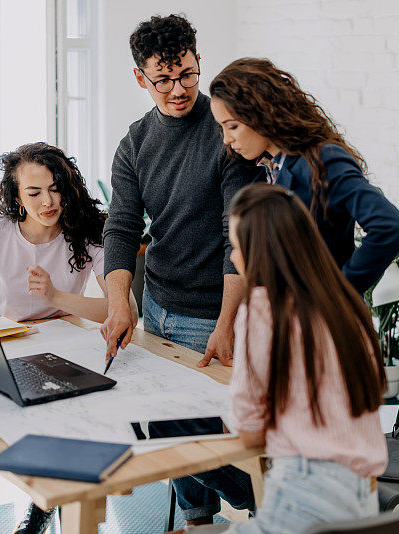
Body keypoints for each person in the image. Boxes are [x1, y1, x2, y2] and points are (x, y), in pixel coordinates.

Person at [0, 142, 137, 534]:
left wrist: (57, 297)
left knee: (64, 433)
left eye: (55, 188)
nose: (47, 201)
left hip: (65, 354)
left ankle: (41, 511)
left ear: (68, 187)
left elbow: (126, 311)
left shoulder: (88, 234)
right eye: (34, 193)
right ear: (16, 197)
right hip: (6, 351)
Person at [100, 14, 256, 526]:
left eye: (187, 74)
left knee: (190, 431)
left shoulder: (226, 132)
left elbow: (241, 237)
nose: (178, 90)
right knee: (168, 428)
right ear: (141, 78)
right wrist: (119, 302)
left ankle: (265, 496)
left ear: (196, 63)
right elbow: (121, 229)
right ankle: (200, 521)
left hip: (210, 309)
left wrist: (227, 322)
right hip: (157, 305)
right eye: (163, 79)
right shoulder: (135, 142)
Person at [190, 183, 388, 533]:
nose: (235, 258)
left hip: (304, 493)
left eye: (238, 247)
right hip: (363, 498)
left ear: (264, 251)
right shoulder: (346, 300)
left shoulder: (264, 308)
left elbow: (250, 433)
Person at [209, 58, 399, 295]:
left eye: (232, 126)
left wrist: (339, 296)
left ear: (261, 113)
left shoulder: (323, 160)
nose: (226, 139)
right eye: (221, 127)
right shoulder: (266, 170)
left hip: (322, 323)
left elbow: (390, 227)